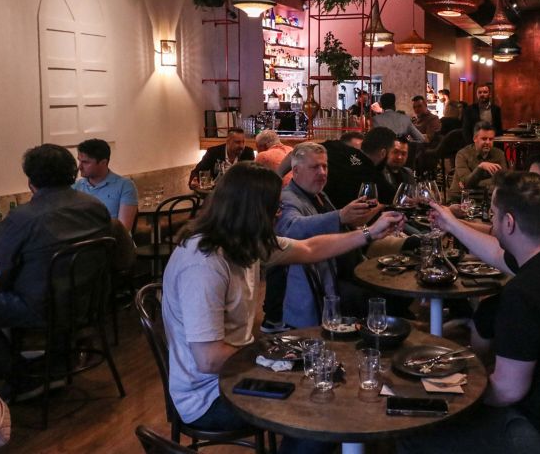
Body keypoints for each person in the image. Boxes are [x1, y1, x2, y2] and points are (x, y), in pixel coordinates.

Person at [162, 162, 401, 453]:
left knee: (330, 381)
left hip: (237, 368)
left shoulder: (244, 241)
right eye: (274, 208)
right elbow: (209, 360)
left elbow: (310, 248)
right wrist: (279, 358)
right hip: (208, 395)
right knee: (321, 410)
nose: (279, 214)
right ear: (251, 212)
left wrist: (369, 233)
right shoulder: (203, 264)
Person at [416, 172, 540, 454]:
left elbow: (507, 390)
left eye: (493, 214)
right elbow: (498, 255)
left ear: (508, 223)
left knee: (419, 432)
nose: (491, 222)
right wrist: (451, 223)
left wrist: (446, 391)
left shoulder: (523, 294)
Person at [0, 144, 111, 397]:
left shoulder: (24, 218)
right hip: (89, 303)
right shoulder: (95, 207)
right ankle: (56, 364)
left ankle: (19, 376)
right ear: (73, 172)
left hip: (42, 308)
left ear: (30, 179)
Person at [276, 143, 384, 328]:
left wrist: (356, 220)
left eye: (324, 166)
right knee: (378, 299)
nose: (322, 172)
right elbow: (291, 229)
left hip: (343, 272)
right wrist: (340, 216)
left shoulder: (319, 195)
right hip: (323, 284)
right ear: (296, 170)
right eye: (314, 167)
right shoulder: (287, 198)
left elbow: (336, 227)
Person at [73, 138, 138, 231]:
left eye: (85, 162)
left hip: (112, 242)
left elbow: (124, 230)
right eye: (79, 161)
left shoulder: (124, 186)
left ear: (103, 162)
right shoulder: (76, 187)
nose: (80, 167)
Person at [447, 121, 508, 202]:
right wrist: (480, 167)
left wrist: (476, 183)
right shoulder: (462, 154)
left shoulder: (499, 154)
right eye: (484, 139)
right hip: (461, 198)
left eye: (491, 139)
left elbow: (503, 181)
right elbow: (467, 183)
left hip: (488, 197)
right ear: (475, 139)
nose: (488, 142)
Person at [189, 129, 255, 187]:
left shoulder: (248, 153)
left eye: (243, 142)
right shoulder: (213, 152)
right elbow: (197, 171)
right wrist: (194, 181)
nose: (241, 146)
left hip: (240, 193)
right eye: (237, 142)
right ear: (228, 142)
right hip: (218, 192)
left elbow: (254, 174)